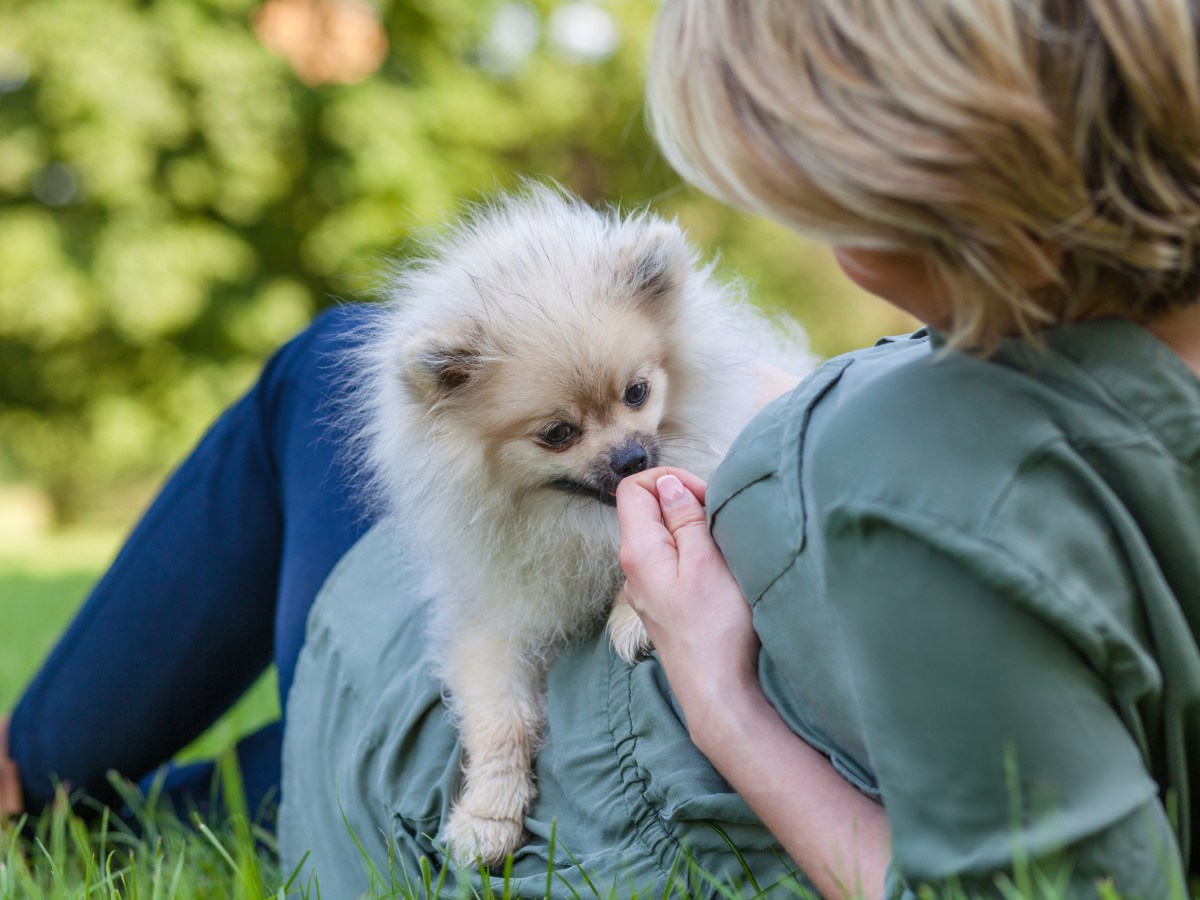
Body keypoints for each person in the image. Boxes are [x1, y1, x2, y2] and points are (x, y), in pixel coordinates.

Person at [5, 0, 1200, 897]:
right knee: (337, 369)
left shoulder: (932, 465)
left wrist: (720, 690)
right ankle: (64, 800)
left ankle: (24, 774)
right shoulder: (1059, 377)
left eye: (796, 175)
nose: (794, 213)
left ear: (906, 178)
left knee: (323, 364)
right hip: (571, 702)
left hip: (559, 778)